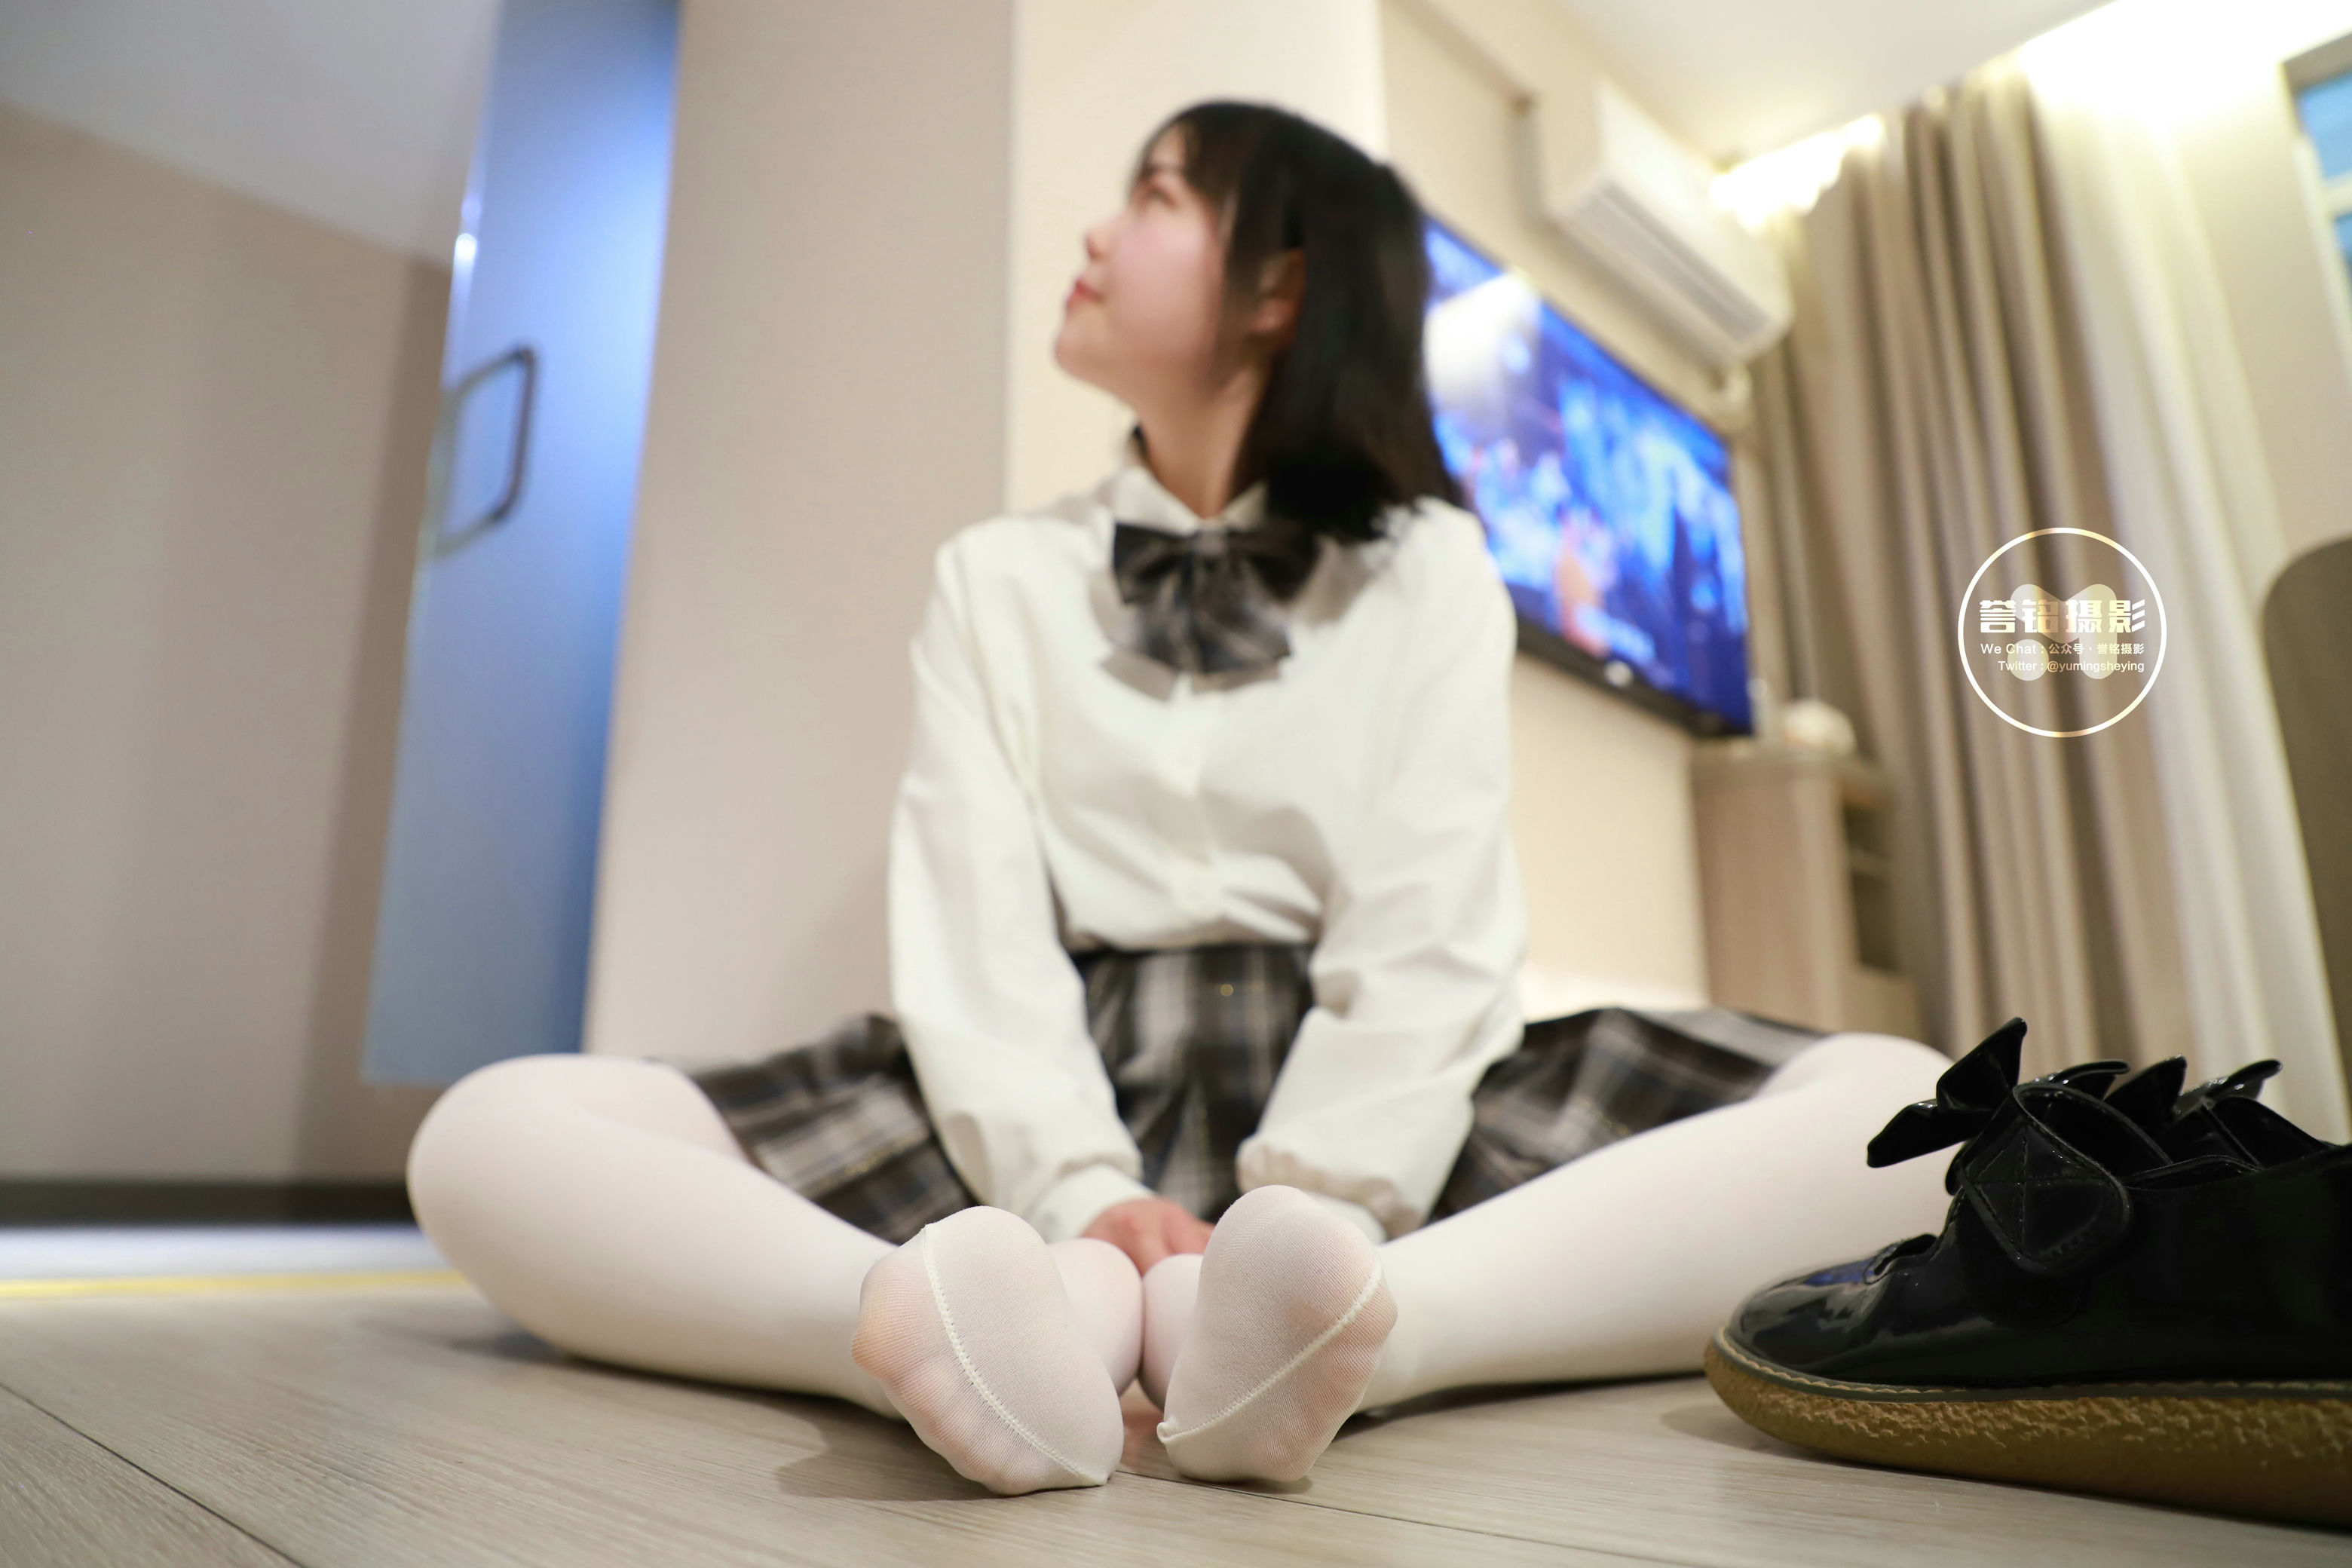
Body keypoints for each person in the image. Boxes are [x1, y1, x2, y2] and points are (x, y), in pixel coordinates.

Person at [405, 100, 1952, 1499]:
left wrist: (1320, 1201)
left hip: (1375, 1094)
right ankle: (960, 1321)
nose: (1095, 232)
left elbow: (1427, 922)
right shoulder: (997, 574)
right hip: (1037, 1087)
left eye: (1151, 196)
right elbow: (975, 923)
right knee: (490, 1130)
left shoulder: (1431, 569)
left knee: (1908, 1108)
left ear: (1280, 287)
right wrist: (1078, 1194)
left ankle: (1353, 1323)